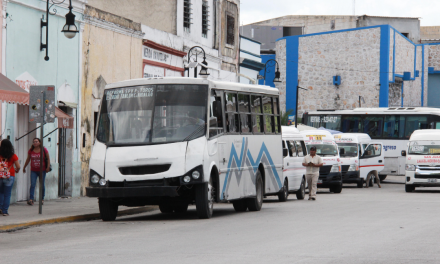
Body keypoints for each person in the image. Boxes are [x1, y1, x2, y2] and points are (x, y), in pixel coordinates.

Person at [23, 138, 51, 205]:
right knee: (32, 184)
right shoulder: (31, 150)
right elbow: (28, 159)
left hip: (42, 170)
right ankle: (31, 199)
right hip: (33, 170)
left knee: (42, 185)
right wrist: (24, 167)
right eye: (34, 142)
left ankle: (42, 199)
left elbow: (48, 158)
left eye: (36, 141)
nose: (35, 143)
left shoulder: (44, 150)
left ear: (39, 142)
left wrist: (48, 167)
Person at [0, 139, 20, 216]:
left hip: (0, 176)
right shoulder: (13, 155)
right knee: (7, 194)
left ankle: (0, 208)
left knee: (0, 193)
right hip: (10, 176)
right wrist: (17, 170)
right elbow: (18, 166)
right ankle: (5, 211)